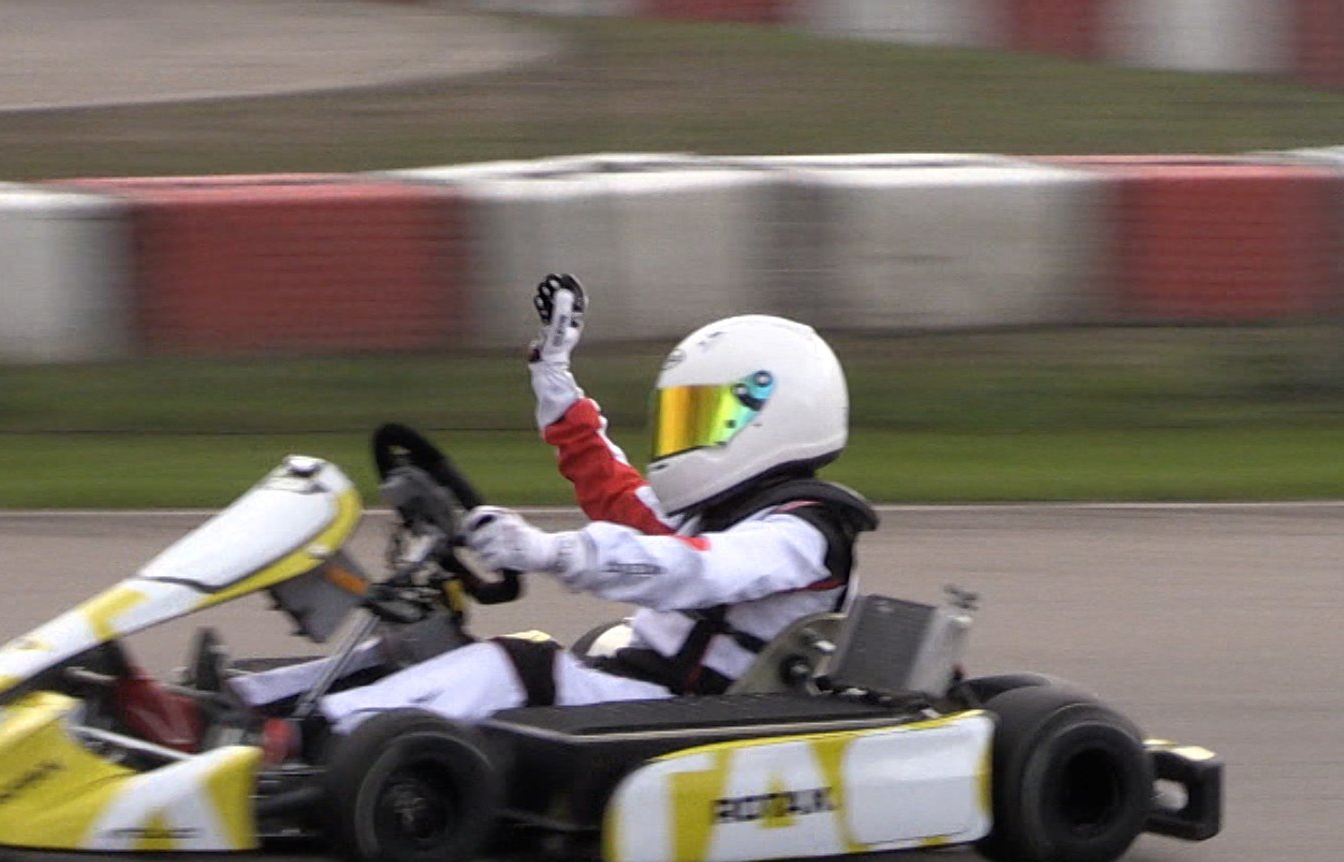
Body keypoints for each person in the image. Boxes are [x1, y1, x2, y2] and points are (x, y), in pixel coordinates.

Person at [229, 274, 877, 739]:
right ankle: (237, 703)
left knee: (514, 664)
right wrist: (556, 380)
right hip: (635, 681)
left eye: (711, 415)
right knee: (424, 640)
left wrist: (545, 550)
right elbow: (620, 501)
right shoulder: (730, 510)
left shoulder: (805, 533)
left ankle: (305, 740)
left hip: (683, 710)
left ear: (776, 412)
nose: (690, 434)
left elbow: (689, 569)